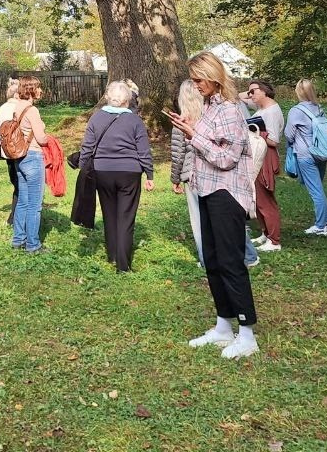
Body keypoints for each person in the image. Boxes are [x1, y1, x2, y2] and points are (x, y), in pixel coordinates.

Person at [166, 52, 260, 358]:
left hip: (227, 193)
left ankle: (246, 334)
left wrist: (194, 136)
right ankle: (223, 326)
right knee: (213, 260)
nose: (195, 86)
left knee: (231, 262)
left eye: (198, 79)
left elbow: (226, 158)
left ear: (214, 76)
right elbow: (207, 143)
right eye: (192, 80)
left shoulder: (231, 111)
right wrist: (188, 128)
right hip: (205, 190)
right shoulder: (208, 108)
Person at [78, 80, 155, 272]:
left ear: (107, 98)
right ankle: (123, 264)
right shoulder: (135, 120)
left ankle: (112, 254)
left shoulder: (96, 118)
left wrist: (82, 167)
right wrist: (149, 174)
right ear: (128, 100)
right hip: (129, 172)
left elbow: (87, 146)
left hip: (102, 171)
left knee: (109, 212)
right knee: (126, 216)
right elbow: (143, 150)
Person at [286, 78, 327, 236]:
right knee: (318, 187)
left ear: (298, 92)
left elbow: (289, 135)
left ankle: (321, 226)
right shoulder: (319, 108)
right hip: (321, 152)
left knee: (315, 190)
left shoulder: (296, 111)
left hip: (305, 155)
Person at [5, 75, 48, 254]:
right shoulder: (32, 110)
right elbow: (40, 138)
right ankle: (33, 244)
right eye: (38, 87)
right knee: (35, 204)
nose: (41, 91)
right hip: (33, 156)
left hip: (19, 157)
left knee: (22, 200)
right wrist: (49, 138)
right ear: (31, 89)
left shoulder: (17, 107)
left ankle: (18, 239)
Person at [244, 80, 284, 252]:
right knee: (257, 197)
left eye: (253, 91)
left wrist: (257, 131)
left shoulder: (273, 111)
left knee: (265, 199)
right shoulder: (262, 109)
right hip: (257, 155)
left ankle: (274, 241)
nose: (250, 95)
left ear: (265, 91)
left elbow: (274, 140)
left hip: (265, 156)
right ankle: (265, 233)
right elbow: (239, 98)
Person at [170, 80, 206, 267]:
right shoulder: (209, 117)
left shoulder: (182, 123)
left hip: (192, 175)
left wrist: (175, 178)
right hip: (213, 174)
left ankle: (206, 259)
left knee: (198, 219)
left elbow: (178, 154)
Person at [0, 77, 22, 227]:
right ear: (17, 94)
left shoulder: (2, 107)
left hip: (6, 150)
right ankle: (14, 218)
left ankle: (14, 217)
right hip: (18, 150)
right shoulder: (18, 108)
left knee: (16, 183)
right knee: (21, 186)